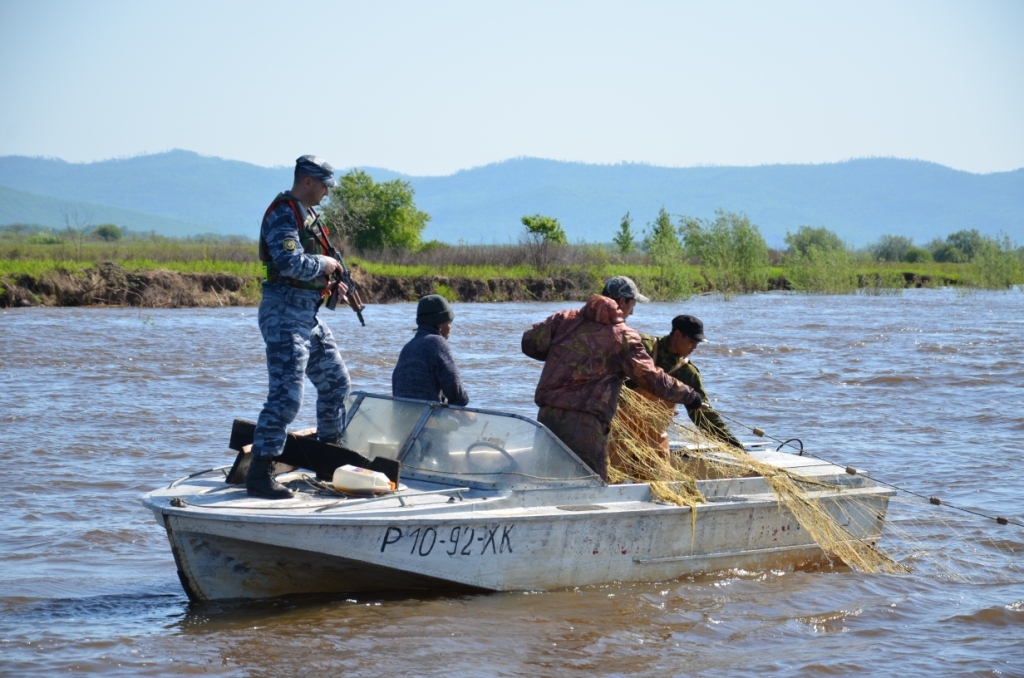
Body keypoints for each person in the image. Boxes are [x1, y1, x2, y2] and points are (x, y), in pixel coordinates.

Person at [521, 276, 702, 481]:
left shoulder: (563, 319)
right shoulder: (623, 337)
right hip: (585, 424)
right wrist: (689, 395)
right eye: (632, 304)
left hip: (547, 418)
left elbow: (528, 342)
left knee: (546, 480)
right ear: (622, 301)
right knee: (591, 485)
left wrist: (565, 356)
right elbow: (652, 378)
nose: (632, 312)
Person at [248, 155, 352, 499]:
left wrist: (331, 282)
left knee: (337, 383)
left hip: (308, 315)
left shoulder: (309, 217)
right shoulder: (283, 213)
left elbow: (307, 269)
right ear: (307, 181)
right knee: (287, 397)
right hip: (283, 314)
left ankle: (329, 461)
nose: (327, 192)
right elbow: (289, 262)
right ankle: (260, 474)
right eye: (324, 185)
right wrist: (325, 262)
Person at [619, 314, 741, 458]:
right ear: (677, 335)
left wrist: (734, 446)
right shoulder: (644, 347)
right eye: (691, 341)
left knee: (659, 476)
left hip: (653, 439)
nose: (695, 347)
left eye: (697, 343)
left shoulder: (688, 374)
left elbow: (704, 416)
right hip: (618, 431)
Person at [392, 294, 469, 406]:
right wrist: (463, 405)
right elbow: (456, 392)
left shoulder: (407, 347)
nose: (451, 327)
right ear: (439, 323)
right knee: (471, 417)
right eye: (449, 321)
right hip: (426, 417)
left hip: (402, 416)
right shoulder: (437, 343)